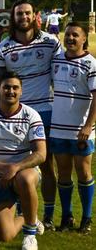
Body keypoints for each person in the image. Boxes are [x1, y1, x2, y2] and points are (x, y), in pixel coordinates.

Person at [0, 0, 62, 231]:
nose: (23, 17)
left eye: (27, 13)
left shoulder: (51, 43)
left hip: (44, 111)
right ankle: (22, 211)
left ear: (35, 16)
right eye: (19, 14)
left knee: (47, 163)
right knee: (15, 163)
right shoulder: (3, 48)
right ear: (13, 17)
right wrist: (0, 114)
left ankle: (49, 215)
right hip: (15, 113)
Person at [0, 72, 46, 250]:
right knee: (3, 236)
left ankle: (30, 234)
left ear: (21, 91)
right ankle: (28, 215)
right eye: (6, 87)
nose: (10, 91)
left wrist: (16, 167)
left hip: (25, 172)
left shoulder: (31, 115)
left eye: (15, 87)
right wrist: (3, 168)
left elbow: (41, 154)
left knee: (24, 178)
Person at [49, 22, 95, 233]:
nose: (70, 38)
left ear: (84, 39)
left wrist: (88, 125)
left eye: (75, 35)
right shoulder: (56, 60)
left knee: (84, 173)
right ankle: (66, 217)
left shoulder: (90, 63)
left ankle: (87, 218)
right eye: (68, 35)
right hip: (58, 128)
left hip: (81, 130)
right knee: (64, 173)